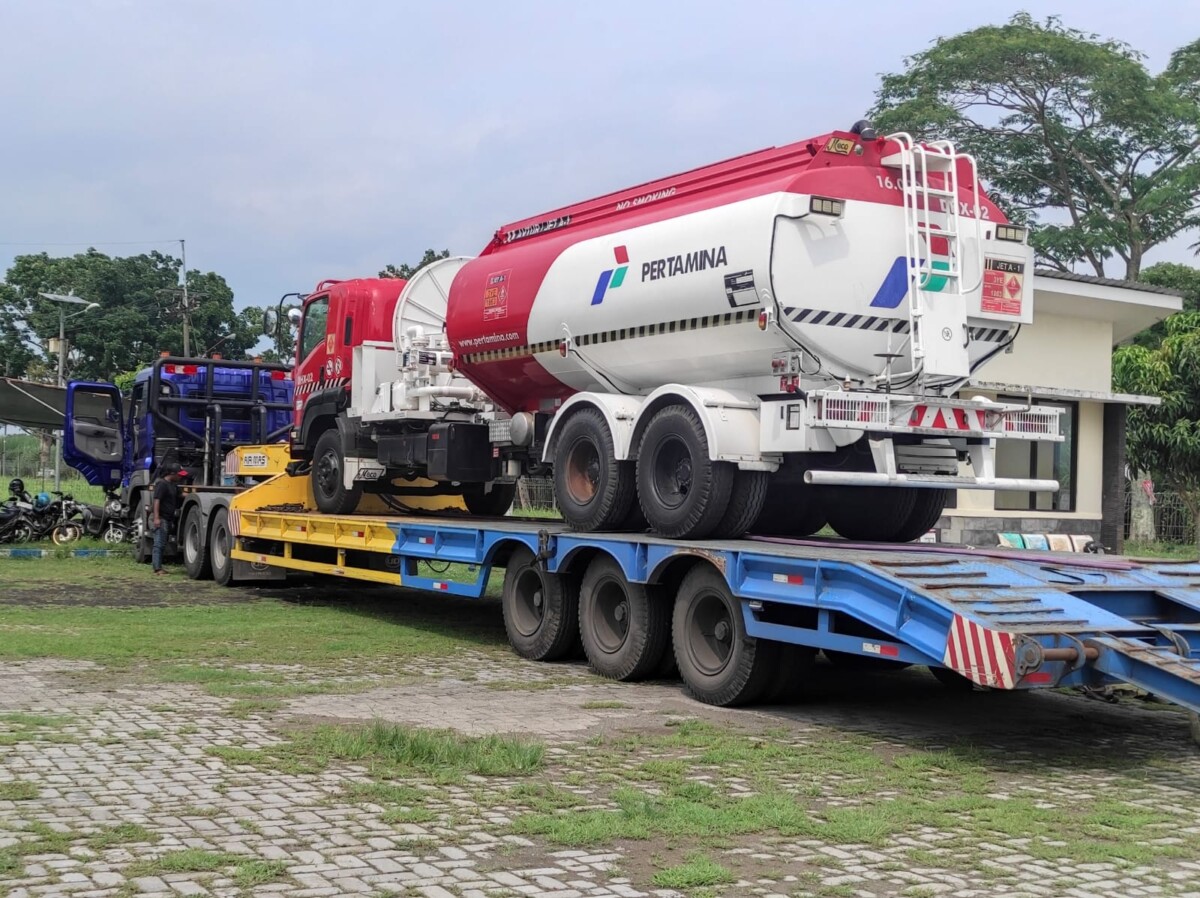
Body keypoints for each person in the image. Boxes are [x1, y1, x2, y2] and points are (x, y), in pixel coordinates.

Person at [151, 463, 189, 575]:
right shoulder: (161, 484)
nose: (180, 477)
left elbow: (182, 495)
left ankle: (158, 567)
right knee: (159, 543)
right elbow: (156, 501)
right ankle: (157, 569)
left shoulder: (173, 485)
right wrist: (156, 518)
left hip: (168, 518)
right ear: (172, 473)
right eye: (179, 474)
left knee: (162, 543)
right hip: (162, 518)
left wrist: (195, 495)